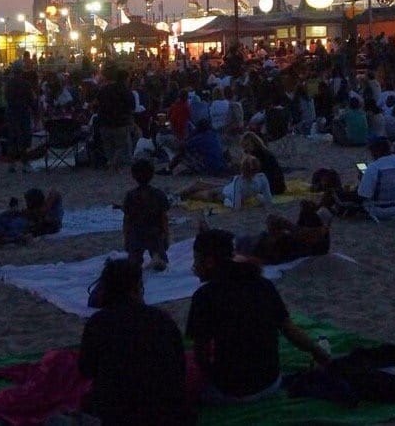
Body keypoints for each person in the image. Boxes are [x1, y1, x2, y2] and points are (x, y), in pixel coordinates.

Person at [186, 229, 331, 405]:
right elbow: (289, 330)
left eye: (196, 260)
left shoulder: (204, 296)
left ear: (209, 262)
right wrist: (319, 353)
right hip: (270, 383)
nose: (194, 266)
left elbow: (201, 354)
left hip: (230, 391)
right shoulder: (262, 284)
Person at [77, 258, 194, 426]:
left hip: (119, 416)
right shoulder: (162, 319)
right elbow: (179, 366)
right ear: (136, 287)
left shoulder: (99, 323)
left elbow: (86, 369)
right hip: (168, 414)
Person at [123, 159, 170, 271]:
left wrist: (126, 236)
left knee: (134, 261)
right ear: (152, 175)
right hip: (154, 232)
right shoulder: (159, 194)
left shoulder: (130, 195)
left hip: (136, 232)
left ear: (133, 176)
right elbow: (164, 217)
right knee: (160, 259)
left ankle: (138, 262)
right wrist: (166, 234)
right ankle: (156, 258)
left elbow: (127, 219)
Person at [179, 154, 272, 209]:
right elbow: (268, 200)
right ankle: (181, 194)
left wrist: (226, 201)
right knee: (202, 184)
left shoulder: (240, 181)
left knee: (204, 191)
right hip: (228, 188)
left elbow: (236, 206)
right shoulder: (262, 177)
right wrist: (258, 196)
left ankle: (181, 194)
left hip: (224, 194)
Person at [96, 67, 136, 170]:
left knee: (108, 146)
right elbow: (132, 107)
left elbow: (97, 104)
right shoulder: (126, 91)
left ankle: (111, 163)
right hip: (120, 123)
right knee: (121, 145)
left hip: (104, 122)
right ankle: (113, 165)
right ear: (126, 79)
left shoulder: (104, 89)